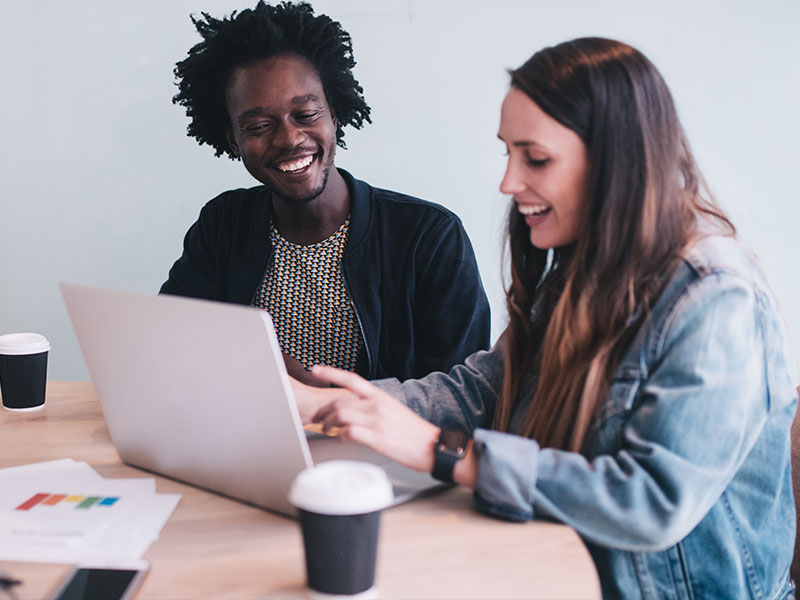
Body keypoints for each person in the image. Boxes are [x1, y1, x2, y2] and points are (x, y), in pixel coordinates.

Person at [293, 37, 799, 598]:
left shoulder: (716, 299)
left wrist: (444, 451)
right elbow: (486, 388)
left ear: (617, 160)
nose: (509, 182)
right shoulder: (586, 265)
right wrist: (331, 403)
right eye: (508, 152)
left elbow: (650, 503)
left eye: (535, 158)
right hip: (553, 557)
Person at [160, 1, 490, 385]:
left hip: (375, 445)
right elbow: (170, 343)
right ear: (233, 140)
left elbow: (463, 397)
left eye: (306, 115)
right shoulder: (223, 224)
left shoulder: (429, 236)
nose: (289, 139)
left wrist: (323, 398)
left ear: (334, 114)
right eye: (259, 125)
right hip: (243, 440)